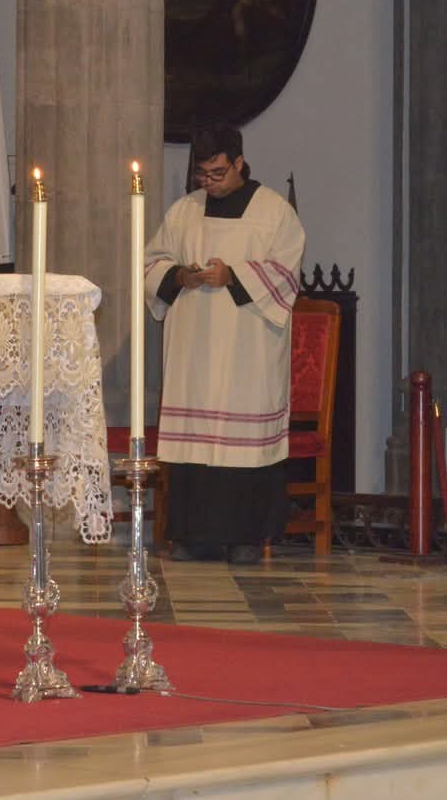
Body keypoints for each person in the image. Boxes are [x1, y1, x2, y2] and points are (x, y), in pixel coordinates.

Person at [144, 123, 306, 565]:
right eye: (202, 174)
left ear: (239, 163)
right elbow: (152, 262)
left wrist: (232, 275)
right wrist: (181, 275)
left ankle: (246, 538)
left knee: (245, 444)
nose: (210, 183)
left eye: (218, 173)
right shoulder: (185, 211)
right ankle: (192, 536)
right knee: (194, 443)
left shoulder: (274, 211)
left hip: (247, 349)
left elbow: (287, 273)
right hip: (194, 348)